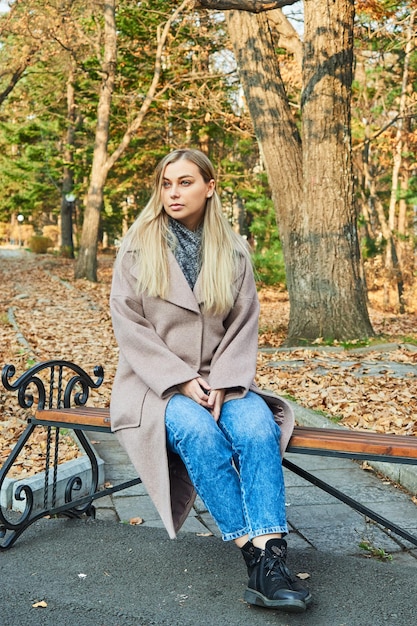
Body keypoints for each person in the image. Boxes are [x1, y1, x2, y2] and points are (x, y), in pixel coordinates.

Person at [109, 148, 312, 613]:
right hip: (155, 383)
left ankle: (269, 562)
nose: (173, 192)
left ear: (210, 187)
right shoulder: (138, 245)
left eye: (184, 182)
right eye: (166, 183)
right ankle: (258, 559)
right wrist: (180, 380)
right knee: (200, 435)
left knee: (258, 428)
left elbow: (244, 323)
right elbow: (129, 326)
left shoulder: (233, 248)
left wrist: (222, 380)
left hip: (223, 375)